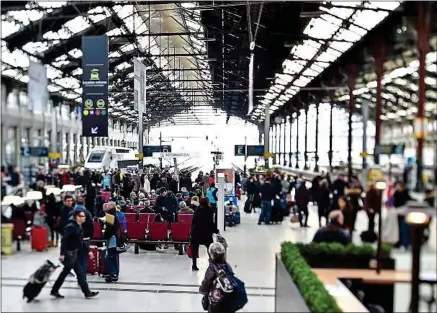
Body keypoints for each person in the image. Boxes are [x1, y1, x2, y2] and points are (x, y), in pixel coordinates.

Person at [50, 209, 99, 299]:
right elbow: (64, 240)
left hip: (74, 253)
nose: (84, 218)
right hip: (69, 254)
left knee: (73, 273)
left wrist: (88, 251)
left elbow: (80, 241)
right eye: (82, 216)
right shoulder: (71, 227)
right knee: (73, 273)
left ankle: (86, 292)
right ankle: (86, 292)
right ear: (77, 217)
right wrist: (62, 254)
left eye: (84, 216)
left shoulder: (78, 226)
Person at [199, 242, 235, 313]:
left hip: (215, 300)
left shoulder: (212, 268)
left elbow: (207, 283)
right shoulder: (227, 266)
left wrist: (202, 290)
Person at [190, 197, 218, 271]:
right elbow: (211, 223)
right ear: (207, 202)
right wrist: (215, 230)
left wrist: (191, 231)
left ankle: (194, 265)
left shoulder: (197, 209)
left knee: (194, 249)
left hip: (196, 231)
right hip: (206, 232)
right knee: (210, 248)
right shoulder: (209, 210)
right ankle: (212, 264)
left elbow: (193, 221)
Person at [74, 198, 94, 282]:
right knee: (83, 260)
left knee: (76, 260)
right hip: (85, 239)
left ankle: (79, 278)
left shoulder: (73, 213)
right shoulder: (87, 213)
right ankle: (83, 280)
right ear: (84, 203)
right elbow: (91, 227)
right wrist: (89, 236)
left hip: (75, 239)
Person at [102, 201, 121, 282]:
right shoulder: (116, 214)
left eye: (108, 205)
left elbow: (110, 228)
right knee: (114, 257)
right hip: (115, 238)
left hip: (111, 238)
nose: (107, 206)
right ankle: (115, 273)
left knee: (110, 256)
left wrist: (104, 225)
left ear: (111, 206)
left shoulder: (110, 215)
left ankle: (112, 274)